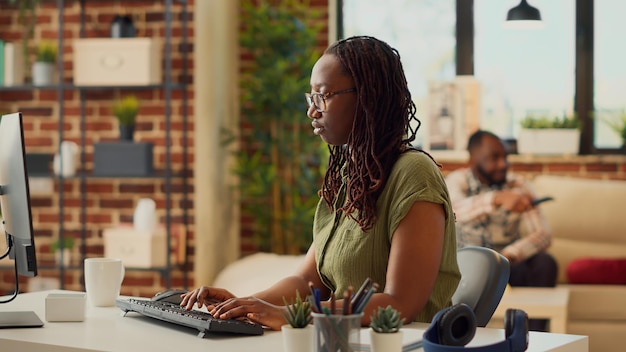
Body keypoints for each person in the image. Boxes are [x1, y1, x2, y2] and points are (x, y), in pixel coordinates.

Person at [181, 36, 460, 330]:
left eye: (323, 96)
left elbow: (399, 303)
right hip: (343, 340)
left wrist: (291, 315)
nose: (312, 111)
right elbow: (308, 280)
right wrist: (245, 305)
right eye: (310, 97)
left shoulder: (414, 174)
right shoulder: (349, 176)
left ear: (367, 97)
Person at [445, 130, 558, 331]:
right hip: (467, 265)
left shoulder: (519, 185)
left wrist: (508, 256)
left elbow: (543, 235)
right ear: (473, 159)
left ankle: (535, 337)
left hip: (509, 265)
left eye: (505, 157)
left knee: (545, 263)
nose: (503, 164)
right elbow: (452, 211)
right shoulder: (457, 181)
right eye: (494, 158)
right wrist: (496, 199)